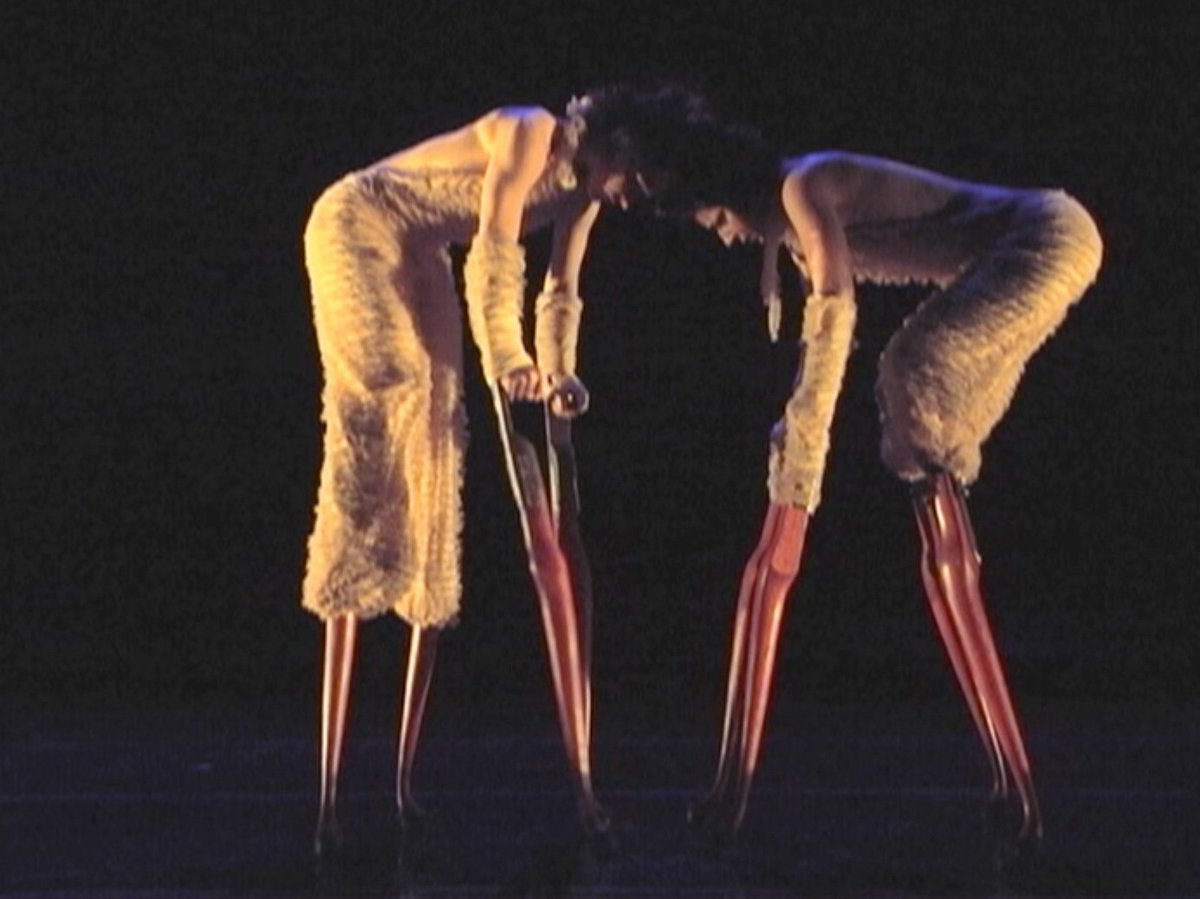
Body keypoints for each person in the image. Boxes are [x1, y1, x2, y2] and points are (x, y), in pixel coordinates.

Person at [667, 123, 1103, 854]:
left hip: (1045, 236)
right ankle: (1012, 785)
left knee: (912, 373)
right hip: (1030, 244)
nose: (723, 236)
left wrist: (801, 464)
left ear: (731, 192)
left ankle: (1018, 783)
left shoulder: (802, 187)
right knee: (916, 427)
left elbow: (835, 318)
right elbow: (817, 331)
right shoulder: (790, 220)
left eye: (715, 219)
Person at [300, 84, 709, 858]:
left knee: (439, 438)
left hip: (417, 249)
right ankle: (330, 786)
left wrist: (557, 373)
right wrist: (510, 358)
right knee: (391, 392)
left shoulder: (586, 194)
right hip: (355, 224)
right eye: (640, 179)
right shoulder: (531, 132)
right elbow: (494, 249)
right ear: (618, 144)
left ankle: (399, 782)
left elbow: (559, 292)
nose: (637, 199)